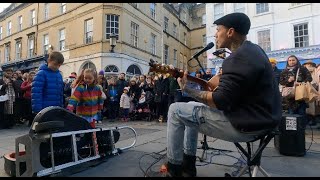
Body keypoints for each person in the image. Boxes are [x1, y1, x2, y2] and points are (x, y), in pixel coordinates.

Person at [163, 13, 282, 177]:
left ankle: (174, 170)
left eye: (218, 30)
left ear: (230, 32)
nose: (215, 34)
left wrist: (187, 89)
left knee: (175, 110)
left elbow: (219, 101)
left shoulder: (237, 58)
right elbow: (235, 90)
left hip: (245, 125)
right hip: (265, 121)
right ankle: (188, 165)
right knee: (189, 107)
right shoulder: (255, 50)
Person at [31, 51, 65, 116]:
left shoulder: (59, 75)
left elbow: (60, 93)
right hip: (44, 110)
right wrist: (38, 110)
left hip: (56, 109)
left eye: (59, 65)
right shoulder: (41, 74)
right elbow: (36, 94)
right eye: (55, 64)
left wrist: (61, 107)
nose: (57, 67)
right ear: (49, 60)